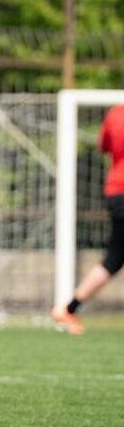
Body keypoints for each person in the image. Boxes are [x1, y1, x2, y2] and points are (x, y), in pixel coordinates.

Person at [51, 104, 124, 336]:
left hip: (115, 192)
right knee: (115, 256)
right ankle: (67, 308)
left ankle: (69, 308)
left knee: (115, 257)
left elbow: (104, 146)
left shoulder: (115, 113)